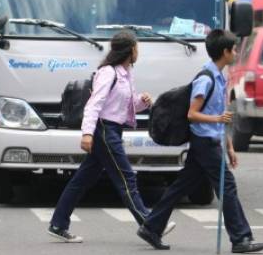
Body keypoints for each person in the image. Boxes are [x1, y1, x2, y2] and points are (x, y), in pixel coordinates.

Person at [137, 29, 263, 253]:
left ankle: (151, 227)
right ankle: (241, 238)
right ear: (225, 52)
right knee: (227, 187)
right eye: (234, 49)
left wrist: (230, 147)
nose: (236, 52)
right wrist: (217, 120)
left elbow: (219, 115)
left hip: (209, 141)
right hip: (204, 142)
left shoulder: (219, 77)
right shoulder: (205, 79)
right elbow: (192, 114)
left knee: (180, 187)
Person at [48, 31, 174, 243]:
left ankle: (58, 223)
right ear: (130, 50)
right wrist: (87, 133)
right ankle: (150, 223)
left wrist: (142, 102)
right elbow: (94, 104)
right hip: (104, 130)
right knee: (127, 177)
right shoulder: (108, 73)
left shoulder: (124, 73)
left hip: (113, 129)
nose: (138, 52)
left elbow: (125, 107)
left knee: (82, 180)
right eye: (137, 48)